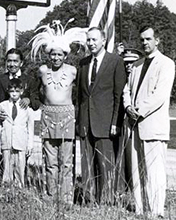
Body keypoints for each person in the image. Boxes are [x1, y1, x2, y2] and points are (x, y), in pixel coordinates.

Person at [30, 19, 87, 204]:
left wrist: (78, 116)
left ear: (65, 55)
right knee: (50, 160)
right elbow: (32, 90)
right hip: (47, 116)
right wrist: (33, 101)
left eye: (59, 55)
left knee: (66, 160)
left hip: (67, 117)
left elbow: (81, 93)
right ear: (49, 55)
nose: (56, 58)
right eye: (53, 54)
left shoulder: (72, 71)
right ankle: (50, 195)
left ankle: (66, 197)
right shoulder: (42, 70)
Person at [123, 26, 175, 217]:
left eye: (148, 39)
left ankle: (155, 211)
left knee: (155, 171)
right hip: (134, 125)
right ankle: (139, 209)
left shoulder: (166, 64)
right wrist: (128, 107)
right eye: (142, 40)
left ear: (157, 40)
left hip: (153, 125)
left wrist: (140, 111)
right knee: (137, 170)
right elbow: (126, 90)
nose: (145, 43)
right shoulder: (136, 65)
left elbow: (160, 94)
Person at [76, 27, 126, 205]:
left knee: (105, 165)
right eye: (88, 40)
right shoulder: (83, 63)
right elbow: (80, 97)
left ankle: (105, 202)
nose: (91, 43)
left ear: (103, 41)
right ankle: (89, 202)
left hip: (106, 124)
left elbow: (118, 95)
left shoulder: (115, 61)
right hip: (85, 123)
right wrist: (79, 122)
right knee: (87, 166)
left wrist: (115, 122)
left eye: (94, 40)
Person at [0, 48, 33, 176]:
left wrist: (28, 99)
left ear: (21, 63)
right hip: (3, 125)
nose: (12, 64)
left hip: (20, 129)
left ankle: (20, 187)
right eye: (9, 61)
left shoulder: (29, 80)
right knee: (2, 159)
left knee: (21, 161)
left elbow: (36, 100)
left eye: (15, 61)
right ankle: (1, 185)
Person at [0, 78, 34, 187]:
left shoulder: (27, 108)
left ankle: (19, 189)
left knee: (20, 167)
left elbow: (30, 127)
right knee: (7, 167)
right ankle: (6, 189)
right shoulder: (2, 106)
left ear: (21, 91)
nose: (14, 94)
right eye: (12, 91)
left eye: (17, 91)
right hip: (6, 141)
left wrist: (30, 145)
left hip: (21, 142)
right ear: (8, 91)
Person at [115, 48, 143, 193]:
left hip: (139, 120)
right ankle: (122, 187)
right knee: (122, 155)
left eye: (132, 62)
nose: (129, 66)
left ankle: (135, 186)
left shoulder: (142, 78)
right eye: (126, 63)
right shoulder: (119, 78)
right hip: (122, 120)